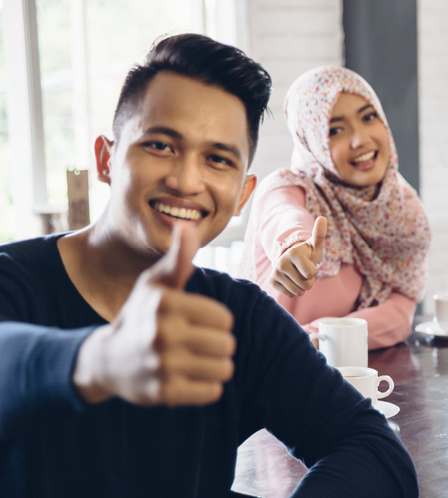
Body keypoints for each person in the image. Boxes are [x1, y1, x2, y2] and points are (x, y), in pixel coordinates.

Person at [0, 34, 418, 497]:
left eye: (217, 159)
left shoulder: (241, 317)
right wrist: (99, 360)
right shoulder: (14, 281)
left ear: (242, 195)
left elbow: (373, 449)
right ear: (106, 158)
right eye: (160, 146)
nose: (186, 180)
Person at [241, 66, 430, 350]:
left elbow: (400, 315)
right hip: (264, 374)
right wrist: (294, 245)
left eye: (368, 117)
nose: (360, 140)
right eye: (335, 130)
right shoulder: (288, 187)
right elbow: (282, 216)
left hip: (351, 383)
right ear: (311, 139)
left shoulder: (403, 211)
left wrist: (311, 340)